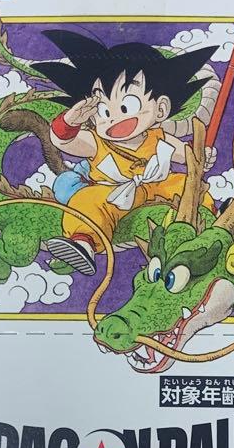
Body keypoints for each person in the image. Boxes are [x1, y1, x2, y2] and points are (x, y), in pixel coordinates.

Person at [34, 30, 218, 275]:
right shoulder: (96, 142)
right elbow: (62, 141)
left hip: (156, 187)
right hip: (111, 193)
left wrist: (201, 157)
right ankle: (83, 243)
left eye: (126, 106)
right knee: (87, 200)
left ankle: (212, 220)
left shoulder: (158, 137)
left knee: (187, 185)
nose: (114, 119)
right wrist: (69, 121)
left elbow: (187, 156)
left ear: (161, 109)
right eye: (104, 111)